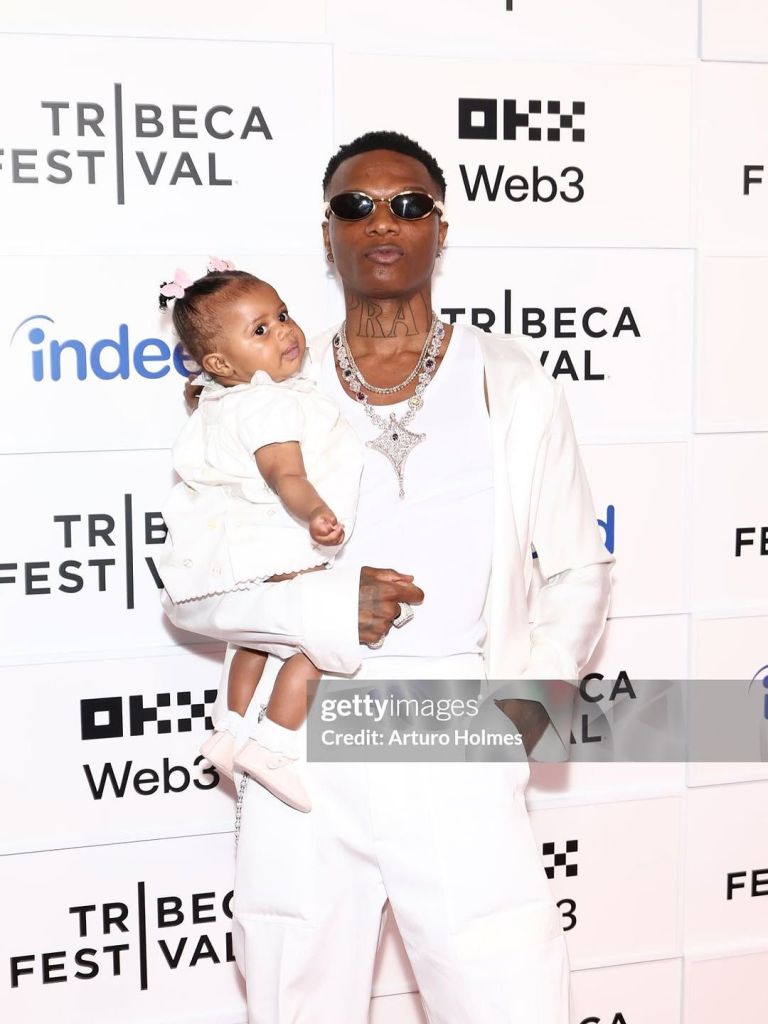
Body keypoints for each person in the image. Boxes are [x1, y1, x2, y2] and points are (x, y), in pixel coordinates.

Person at [161, 130, 614, 1023]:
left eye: (408, 205)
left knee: (505, 991)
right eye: (354, 205)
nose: (382, 222)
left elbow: (575, 564)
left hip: (453, 721)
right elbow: (195, 588)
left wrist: (533, 693)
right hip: (304, 736)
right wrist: (330, 607)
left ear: (440, 230)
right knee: (297, 990)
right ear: (327, 232)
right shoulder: (262, 386)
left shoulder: (511, 380)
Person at [158, 264, 363, 812]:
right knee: (324, 641)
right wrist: (317, 513)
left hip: (231, 564)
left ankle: (229, 730)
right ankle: (274, 743)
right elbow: (285, 476)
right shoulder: (270, 401)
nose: (285, 332)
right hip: (277, 552)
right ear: (221, 363)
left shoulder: (215, 401)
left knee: (249, 640)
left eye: (283, 315)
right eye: (261, 330)